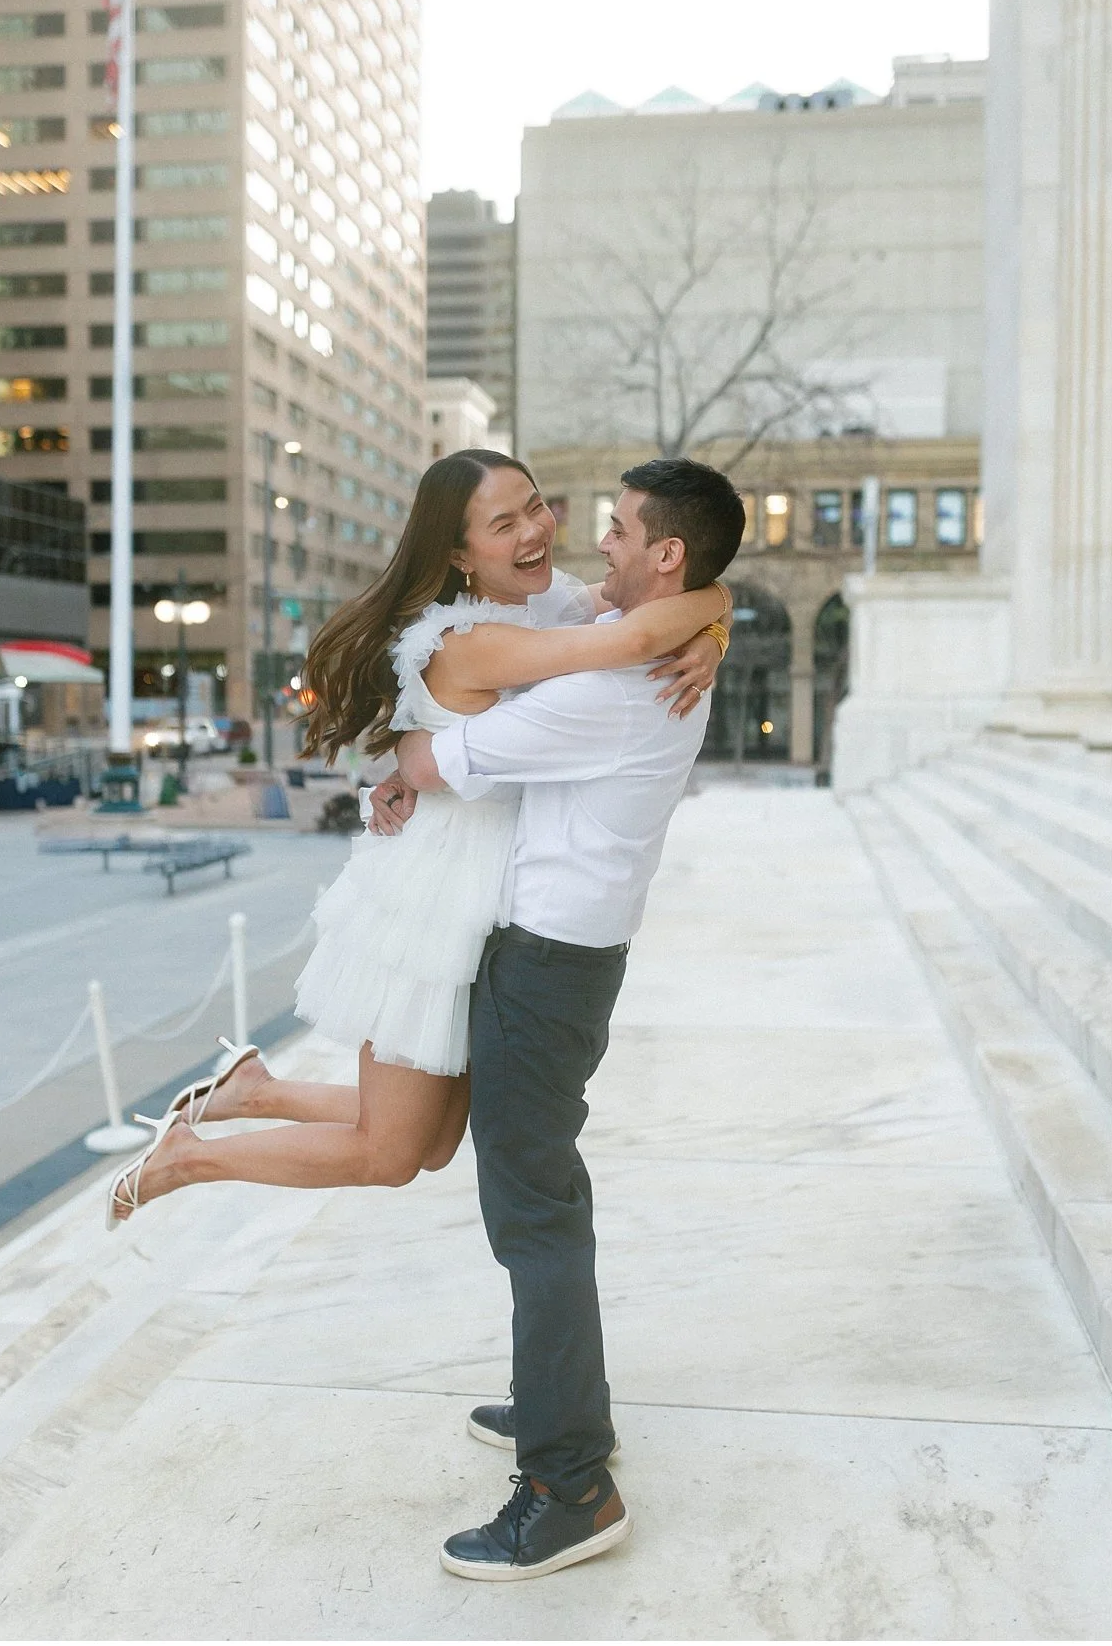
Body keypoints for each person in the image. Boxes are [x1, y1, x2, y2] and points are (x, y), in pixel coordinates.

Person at [106, 449, 727, 1226]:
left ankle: (252, 1090)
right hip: (438, 897)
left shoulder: (546, 601)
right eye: (504, 524)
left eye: (535, 506)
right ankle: (185, 1159)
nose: (537, 531)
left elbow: (646, 602)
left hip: (493, 897)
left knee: (431, 1141)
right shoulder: (471, 638)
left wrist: (715, 620)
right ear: (460, 555)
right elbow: (636, 640)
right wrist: (714, 608)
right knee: (391, 1153)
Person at [382, 456, 746, 1582]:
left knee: (531, 1213)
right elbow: (615, 615)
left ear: (667, 556)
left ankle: (568, 1481)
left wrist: (408, 758)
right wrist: (712, 610)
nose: (601, 545)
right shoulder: (656, 653)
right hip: (566, 959)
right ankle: (556, 1398)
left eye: (624, 532)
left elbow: (431, 763)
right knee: (544, 1197)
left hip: (544, 968)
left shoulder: (613, 690)